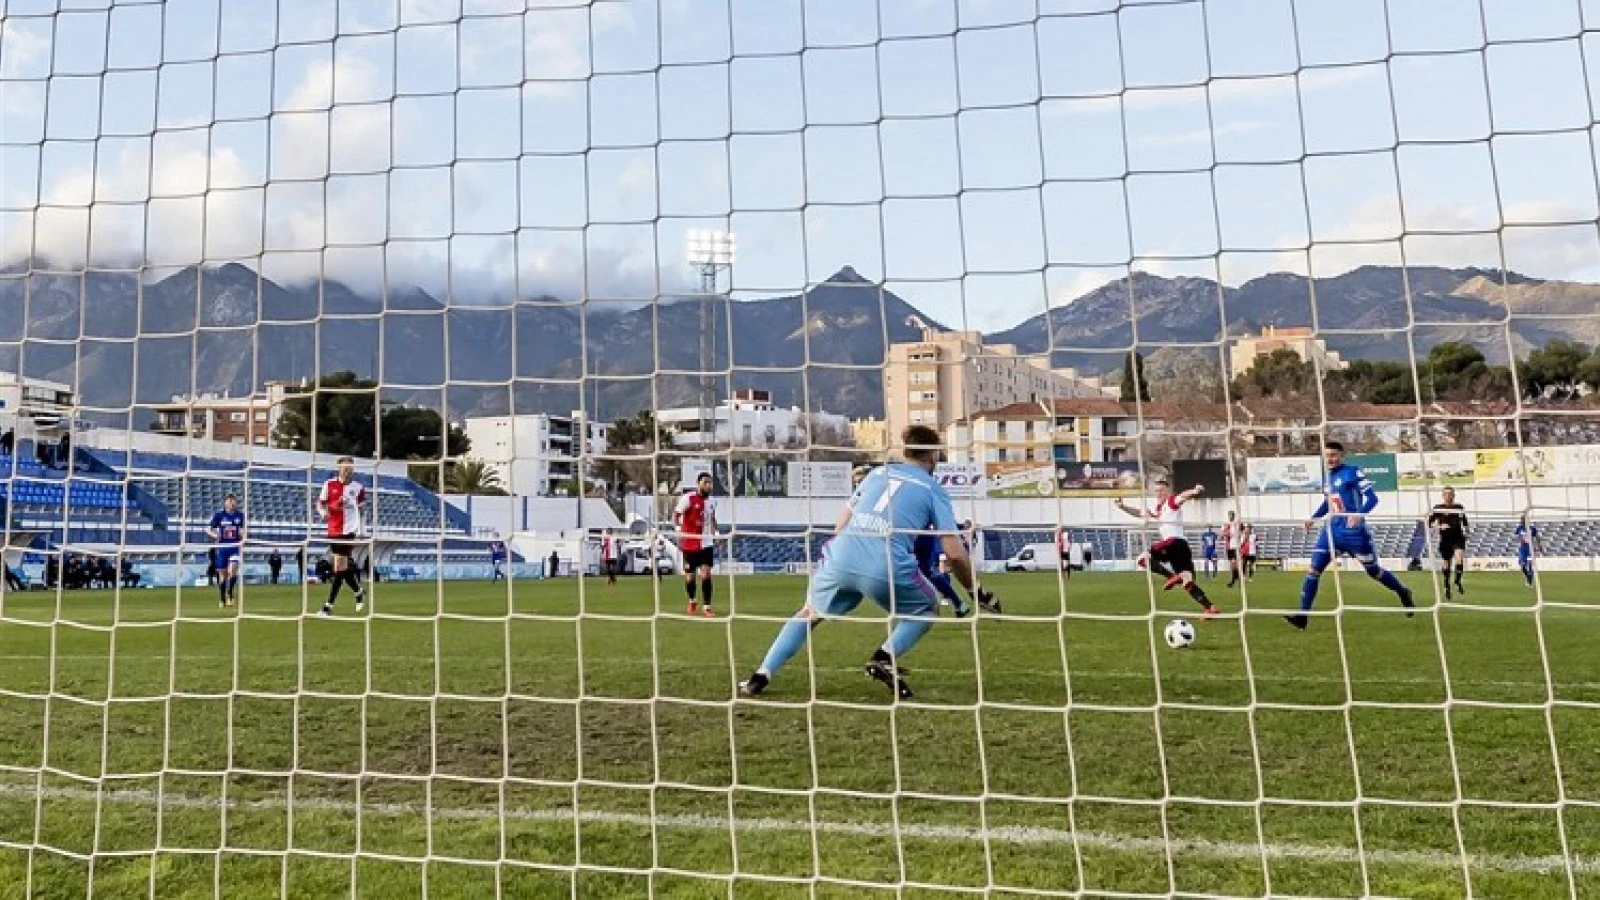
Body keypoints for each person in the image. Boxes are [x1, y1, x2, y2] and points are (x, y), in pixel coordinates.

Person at [738, 426, 997, 700]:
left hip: (842, 554)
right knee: (927, 608)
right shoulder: (934, 489)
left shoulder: (876, 474)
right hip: (884, 563)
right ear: (933, 454)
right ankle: (883, 658)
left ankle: (760, 676)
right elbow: (955, 553)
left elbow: (840, 524)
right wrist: (975, 592)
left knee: (808, 614)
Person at [1286, 441, 1415, 630]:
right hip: (1332, 531)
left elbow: (1372, 498)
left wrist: (1359, 514)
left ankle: (1403, 592)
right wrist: (1313, 518)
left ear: (1341, 456)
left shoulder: (1353, 472)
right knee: (1314, 570)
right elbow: (1328, 503)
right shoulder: (1327, 478)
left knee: (1374, 571)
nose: (1330, 459)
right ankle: (1303, 615)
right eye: (1327, 455)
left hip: (1354, 533)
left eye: (1334, 455)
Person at [1114, 479, 1220, 617]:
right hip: (1182, 547)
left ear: (1167, 491)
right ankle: (1210, 607)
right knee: (1187, 580)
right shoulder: (1158, 509)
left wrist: (1194, 491)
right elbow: (1140, 512)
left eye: (1161, 490)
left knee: (1142, 559)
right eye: (1156, 491)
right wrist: (1123, 507)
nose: (1158, 493)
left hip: (1173, 543)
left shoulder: (1171, 502)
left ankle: (1170, 576)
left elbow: (1182, 497)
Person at [317, 456, 368, 617]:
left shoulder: (358, 488)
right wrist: (323, 512)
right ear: (339, 468)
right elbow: (320, 503)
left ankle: (328, 606)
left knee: (339, 566)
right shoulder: (329, 484)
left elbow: (361, 510)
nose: (348, 471)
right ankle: (358, 591)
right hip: (333, 530)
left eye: (350, 468)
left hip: (349, 530)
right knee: (340, 568)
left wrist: (361, 530)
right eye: (345, 468)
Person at [674, 472, 719, 617]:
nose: (708, 485)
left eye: (710, 483)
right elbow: (676, 515)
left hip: (706, 542)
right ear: (698, 483)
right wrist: (678, 529)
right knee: (690, 577)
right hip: (689, 543)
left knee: (706, 574)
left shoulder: (712, 501)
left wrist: (716, 532)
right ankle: (692, 600)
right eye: (705, 482)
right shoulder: (688, 499)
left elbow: (712, 518)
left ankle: (707, 606)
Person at [1428, 486, 1470, 600]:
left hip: (1458, 537)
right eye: (1446, 494)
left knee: (1459, 557)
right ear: (1442, 496)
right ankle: (1446, 584)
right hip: (1445, 539)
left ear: (1454, 495)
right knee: (1446, 563)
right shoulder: (1438, 508)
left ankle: (1457, 580)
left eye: (1450, 494)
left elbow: (1465, 521)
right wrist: (1439, 526)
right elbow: (1428, 522)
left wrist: (1467, 531)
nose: (1448, 496)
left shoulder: (1459, 507)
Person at [208, 492, 246, 607]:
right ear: (225, 502)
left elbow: (244, 530)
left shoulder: (240, 516)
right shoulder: (219, 515)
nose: (231, 502)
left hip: (235, 546)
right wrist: (216, 536)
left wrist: (243, 535)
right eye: (229, 500)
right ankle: (222, 597)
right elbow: (209, 529)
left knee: (233, 569)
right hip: (222, 548)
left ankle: (230, 592)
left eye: (233, 500)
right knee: (223, 575)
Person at [1515, 512, 1542, 587]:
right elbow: (1517, 537)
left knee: (1530, 565)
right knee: (1522, 565)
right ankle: (1528, 577)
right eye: (1521, 519)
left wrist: (1539, 546)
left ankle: (1530, 581)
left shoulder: (1532, 528)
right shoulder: (1519, 528)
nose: (1521, 521)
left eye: (1523, 519)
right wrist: (1521, 539)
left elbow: (1537, 537)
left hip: (1530, 548)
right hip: (1523, 549)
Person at [1220, 510, 1241, 587]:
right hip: (1229, 546)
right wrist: (1227, 534)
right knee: (1232, 563)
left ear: (1234, 516)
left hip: (1236, 546)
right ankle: (1235, 577)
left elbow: (1242, 532)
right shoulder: (1226, 524)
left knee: (1234, 562)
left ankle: (1234, 578)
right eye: (1230, 515)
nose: (1231, 516)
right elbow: (1222, 534)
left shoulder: (1237, 524)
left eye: (1232, 515)